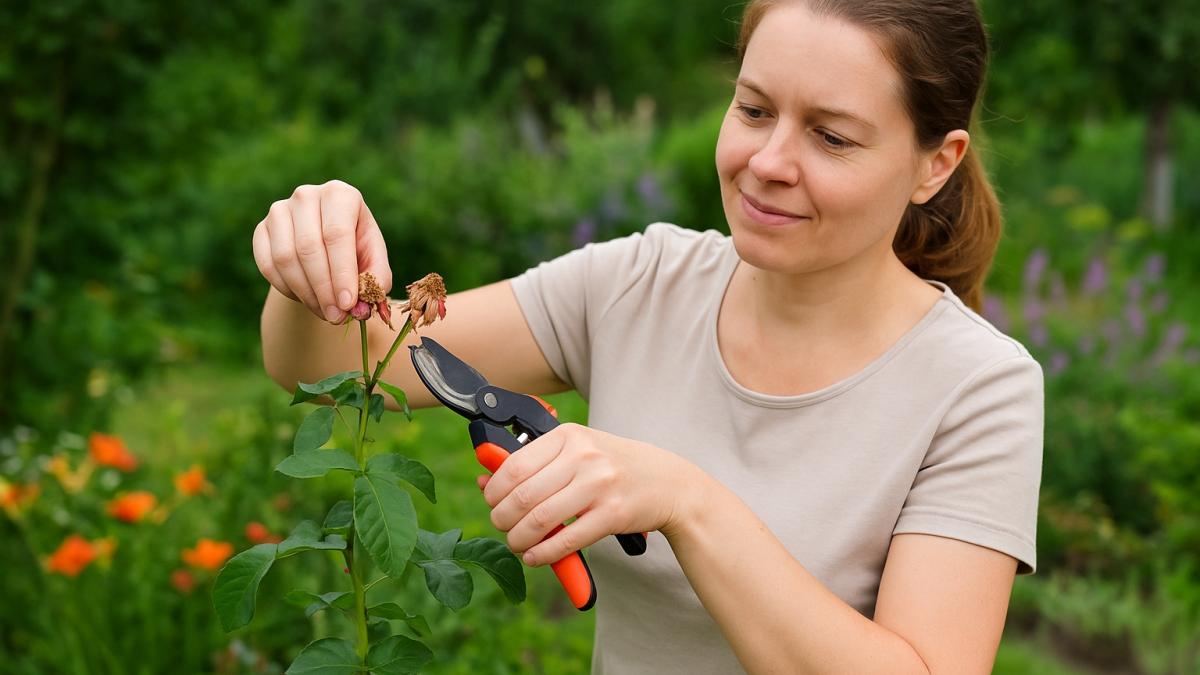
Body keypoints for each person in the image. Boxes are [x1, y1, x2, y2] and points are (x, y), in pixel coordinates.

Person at [253, 0, 1043, 672]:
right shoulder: (641, 283)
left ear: (934, 165)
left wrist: (688, 501)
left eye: (831, 137)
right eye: (755, 109)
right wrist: (309, 268)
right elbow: (325, 363)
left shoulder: (978, 387)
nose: (768, 161)